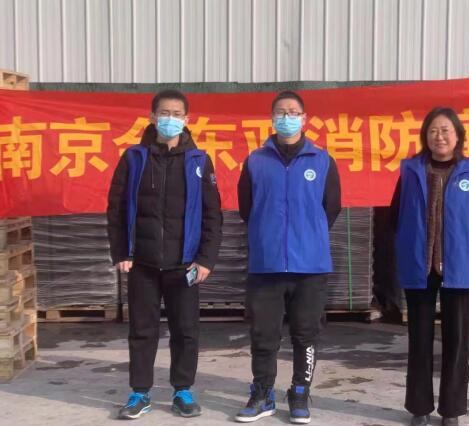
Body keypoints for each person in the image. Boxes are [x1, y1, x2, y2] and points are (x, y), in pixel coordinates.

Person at [107, 89, 222, 419]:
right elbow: (116, 208)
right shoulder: (134, 158)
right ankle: (139, 392)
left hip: (184, 265)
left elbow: (212, 214)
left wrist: (205, 259)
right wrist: (121, 252)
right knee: (142, 330)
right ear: (152, 117)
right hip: (142, 263)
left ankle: (182, 390)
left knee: (186, 331)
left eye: (176, 114)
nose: (170, 119)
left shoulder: (199, 161)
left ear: (187, 119)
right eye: (164, 113)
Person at [235, 90, 341, 424]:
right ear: (272, 118)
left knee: (305, 335)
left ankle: (299, 393)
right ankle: (262, 393)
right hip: (266, 265)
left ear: (304, 118)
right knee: (263, 334)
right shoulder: (255, 161)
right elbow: (247, 208)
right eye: (281, 112)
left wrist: (306, 236)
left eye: (293, 112)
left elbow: (331, 208)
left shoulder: (322, 161)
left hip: (310, 267)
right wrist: (268, 235)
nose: (287, 117)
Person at [389, 107, 469, 426]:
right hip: (419, 268)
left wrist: (465, 244)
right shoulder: (411, 170)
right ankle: (419, 408)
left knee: (457, 342)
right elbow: (395, 215)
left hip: (459, 269)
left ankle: (451, 411)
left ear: (458, 135)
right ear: (425, 136)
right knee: (419, 340)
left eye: (446, 130)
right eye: (433, 130)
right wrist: (412, 243)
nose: (440, 136)